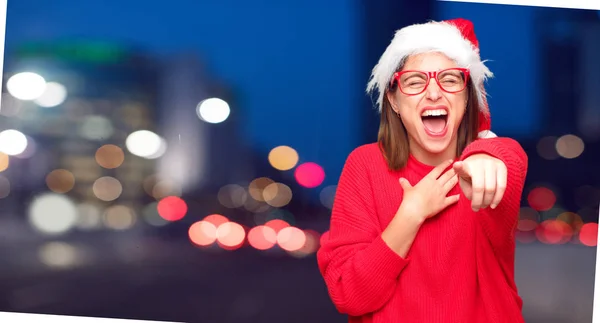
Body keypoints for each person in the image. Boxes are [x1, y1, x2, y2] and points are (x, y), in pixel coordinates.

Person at [316, 18, 528, 323]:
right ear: (394, 99)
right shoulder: (365, 165)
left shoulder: (490, 165)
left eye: (450, 80)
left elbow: (509, 156)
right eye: (415, 82)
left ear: (467, 98)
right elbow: (349, 295)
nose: (433, 94)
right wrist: (411, 213)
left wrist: (489, 155)